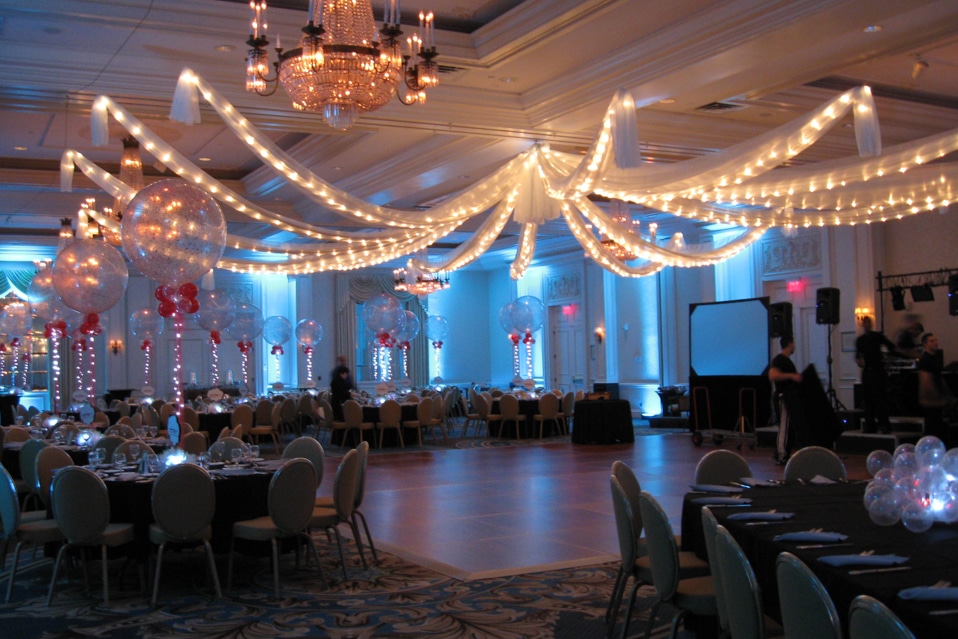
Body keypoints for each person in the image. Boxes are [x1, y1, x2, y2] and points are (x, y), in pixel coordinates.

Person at [855, 316, 897, 434]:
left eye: (869, 322)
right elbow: (858, 356)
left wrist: (888, 361)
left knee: (880, 399)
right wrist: (860, 361)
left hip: (878, 371)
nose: (867, 325)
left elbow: (891, 346)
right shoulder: (860, 340)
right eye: (865, 322)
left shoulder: (877, 336)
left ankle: (884, 425)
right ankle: (870, 425)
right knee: (868, 400)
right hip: (868, 371)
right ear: (863, 324)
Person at [769, 335, 802, 464]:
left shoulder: (787, 361)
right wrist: (792, 376)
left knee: (789, 428)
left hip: (788, 398)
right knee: (784, 427)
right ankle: (781, 454)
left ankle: (785, 453)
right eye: (793, 343)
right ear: (789, 344)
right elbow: (773, 375)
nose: (794, 346)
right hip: (783, 398)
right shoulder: (779, 360)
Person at [917, 332, 951, 445]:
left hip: (935, 402)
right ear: (925, 344)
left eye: (936, 340)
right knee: (933, 430)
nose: (935, 343)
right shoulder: (926, 360)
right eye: (932, 341)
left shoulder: (933, 359)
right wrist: (937, 400)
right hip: (931, 402)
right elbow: (926, 382)